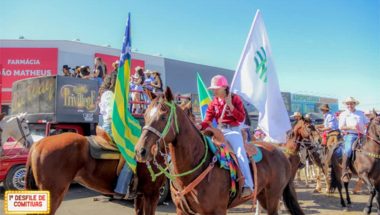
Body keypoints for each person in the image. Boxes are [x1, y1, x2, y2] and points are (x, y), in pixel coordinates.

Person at [196, 75, 253, 198]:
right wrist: (199, 127)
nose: (214, 91)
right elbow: (207, 120)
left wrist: (231, 106)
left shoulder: (235, 99)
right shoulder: (214, 102)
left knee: (239, 153)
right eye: (213, 89)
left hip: (233, 131)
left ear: (224, 88)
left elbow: (241, 118)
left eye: (216, 88)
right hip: (219, 132)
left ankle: (248, 184)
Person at [98, 75, 135, 199]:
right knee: (131, 155)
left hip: (108, 125)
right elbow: (112, 115)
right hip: (111, 127)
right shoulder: (109, 94)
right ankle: (121, 189)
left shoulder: (107, 94)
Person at [339, 97, 369, 182]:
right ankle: (345, 172)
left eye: (351, 103)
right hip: (350, 135)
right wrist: (350, 127)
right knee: (348, 150)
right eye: (348, 104)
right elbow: (341, 127)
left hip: (363, 135)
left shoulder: (360, 113)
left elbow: (367, 123)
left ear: (355, 104)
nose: (350, 105)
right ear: (346, 105)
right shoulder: (343, 114)